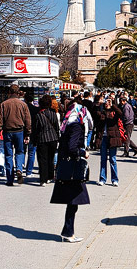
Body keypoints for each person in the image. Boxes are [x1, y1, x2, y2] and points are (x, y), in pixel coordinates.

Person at [50, 98, 90, 243]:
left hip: (67, 167)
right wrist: (82, 152)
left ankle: (68, 231)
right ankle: (68, 233)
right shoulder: (76, 127)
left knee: (73, 203)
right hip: (73, 168)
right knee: (73, 202)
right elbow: (73, 148)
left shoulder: (67, 125)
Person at [0, 84, 32, 186]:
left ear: (9, 92)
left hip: (7, 131)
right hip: (19, 131)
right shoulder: (23, 105)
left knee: (8, 154)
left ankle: (9, 178)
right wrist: (28, 133)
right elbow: (28, 120)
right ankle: (19, 169)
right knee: (20, 152)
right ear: (18, 93)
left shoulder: (4, 104)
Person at [95, 98, 124, 186]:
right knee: (103, 159)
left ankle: (115, 179)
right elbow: (95, 114)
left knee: (112, 159)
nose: (107, 104)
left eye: (109, 102)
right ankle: (102, 178)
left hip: (112, 138)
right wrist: (99, 105)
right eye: (106, 102)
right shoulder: (102, 112)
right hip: (103, 138)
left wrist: (113, 105)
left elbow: (120, 114)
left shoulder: (114, 112)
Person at [33, 95, 60, 186]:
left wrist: (34, 140)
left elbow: (36, 128)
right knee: (50, 158)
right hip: (53, 138)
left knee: (42, 159)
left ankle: (43, 179)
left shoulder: (39, 115)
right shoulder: (53, 113)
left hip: (42, 139)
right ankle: (50, 176)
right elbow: (57, 126)